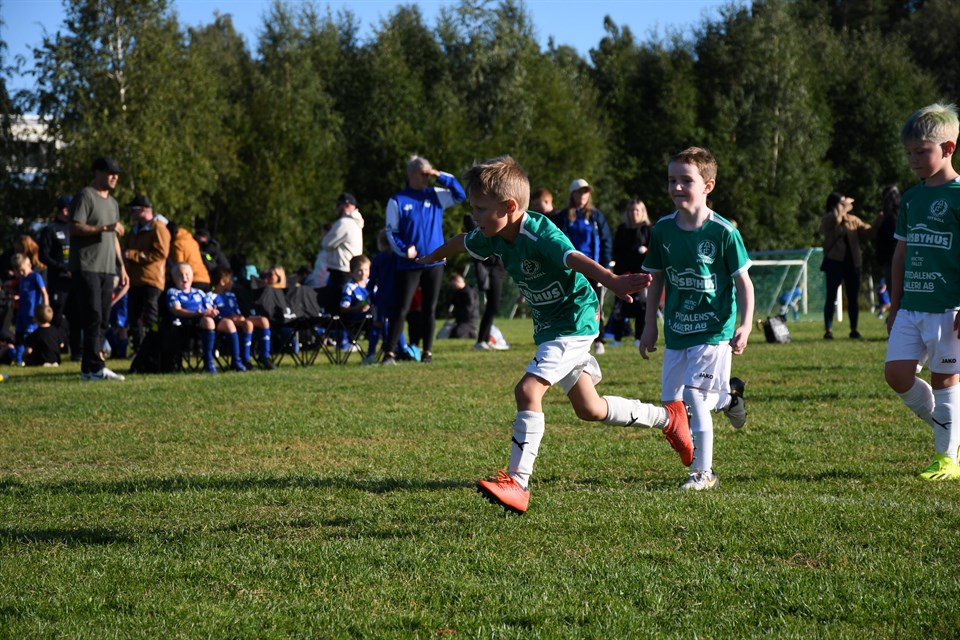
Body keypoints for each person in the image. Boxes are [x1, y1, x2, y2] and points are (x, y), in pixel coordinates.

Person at [416, 155, 692, 515]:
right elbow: (459, 242)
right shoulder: (492, 235)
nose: (474, 216)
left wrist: (611, 280)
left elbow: (572, 257)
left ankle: (518, 482)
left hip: (575, 320)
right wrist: (431, 258)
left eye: (480, 209)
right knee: (590, 408)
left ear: (509, 207)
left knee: (527, 390)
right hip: (551, 328)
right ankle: (668, 418)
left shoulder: (539, 232)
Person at [639, 146, 754, 491]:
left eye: (685, 180)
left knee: (695, 396)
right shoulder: (662, 230)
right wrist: (649, 325)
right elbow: (657, 279)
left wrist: (745, 324)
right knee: (673, 405)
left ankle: (704, 473)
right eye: (671, 180)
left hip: (714, 329)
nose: (676, 187)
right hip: (677, 329)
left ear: (708, 185)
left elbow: (743, 283)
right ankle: (730, 399)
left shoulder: (723, 232)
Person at [883, 103, 960, 481]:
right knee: (896, 375)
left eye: (921, 151)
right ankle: (951, 429)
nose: (913, 159)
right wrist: (894, 304)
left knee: (946, 379)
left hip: (948, 308)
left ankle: (946, 458)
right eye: (908, 153)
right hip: (911, 307)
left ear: (948, 148)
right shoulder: (912, 199)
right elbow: (901, 252)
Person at [382, 156, 466, 365]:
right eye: (423, 174)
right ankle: (389, 353)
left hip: (435, 261)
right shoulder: (398, 200)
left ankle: (427, 352)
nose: (426, 178)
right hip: (410, 263)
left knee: (430, 308)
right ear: (411, 174)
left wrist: (439, 175)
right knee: (401, 308)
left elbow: (460, 194)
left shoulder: (434, 195)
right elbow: (391, 231)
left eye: (428, 174)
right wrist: (404, 250)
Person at [69, 156, 127, 381]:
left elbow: (114, 238)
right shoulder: (86, 195)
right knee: (92, 314)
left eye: (117, 174)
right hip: (86, 265)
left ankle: (89, 369)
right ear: (98, 173)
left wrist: (122, 267)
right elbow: (75, 227)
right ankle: (96, 366)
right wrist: (103, 227)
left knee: (103, 317)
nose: (114, 177)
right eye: (110, 173)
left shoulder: (113, 203)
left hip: (107, 267)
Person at [551, 178, 614, 355]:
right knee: (569, 303)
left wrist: (605, 266)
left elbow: (605, 241)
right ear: (572, 194)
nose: (582, 195)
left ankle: (599, 340)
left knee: (595, 304)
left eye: (585, 192)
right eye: (579, 192)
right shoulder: (563, 217)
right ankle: (570, 338)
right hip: (570, 267)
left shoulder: (596, 216)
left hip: (593, 266)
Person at [123, 194, 170, 354]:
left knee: (151, 317)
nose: (131, 213)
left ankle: (155, 349)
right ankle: (139, 351)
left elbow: (161, 253)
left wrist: (133, 255)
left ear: (144, 210)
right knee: (134, 318)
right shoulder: (134, 231)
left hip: (152, 280)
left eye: (133, 210)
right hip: (135, 280)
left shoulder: (158, 228)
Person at [820, 191, 871, 340]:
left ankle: (854, 329)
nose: (847, 205)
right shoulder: (828, 219)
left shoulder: (853, 220)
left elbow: (867, 232)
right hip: (834, 261)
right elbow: (836, 218)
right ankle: (828, 330)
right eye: (841, 203)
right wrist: (845, 206)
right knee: (831, 297)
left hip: (853, 263)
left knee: (853, 298)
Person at [38, 195, 80, 357]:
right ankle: (52, 351)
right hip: (58, 283)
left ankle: (77, 353)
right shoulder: (50, 230)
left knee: (76, 317)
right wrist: (63, 268)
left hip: (74, 281)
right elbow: (43, 256)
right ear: (65, 210)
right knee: (55, 316)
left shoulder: (75, 228)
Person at [211, 268, 275, 370]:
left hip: (238, 318)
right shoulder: (211, 296)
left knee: (263, 321)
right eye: (230, 280)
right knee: (248, 324)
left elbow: (238, 310)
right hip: (225, 321)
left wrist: (240, 316)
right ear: (222, 282)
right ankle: (245, 359)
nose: (232, 283)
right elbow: (214, 314)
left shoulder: (231, 294)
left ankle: (264, 356)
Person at [462, 213, 507, 351]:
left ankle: (484, 339)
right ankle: (481, 340)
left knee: (492, 307)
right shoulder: (481, 228)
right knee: (492, 307)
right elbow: (468, 219)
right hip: (492, 271)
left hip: (497, 270)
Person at [610, 199, 652, 344]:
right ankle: (617, 338)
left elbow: (654, 252)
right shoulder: (622, 230)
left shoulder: (648, 230)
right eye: (631, 210)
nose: (634, 213)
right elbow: (616, 252)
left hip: (641, 274)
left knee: (641, 306)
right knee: (619, 306)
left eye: (637, 210)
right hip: (623, 273)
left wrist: (646, 250)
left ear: (642, 212)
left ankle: (639, 337)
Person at [166, 262, 220, 374]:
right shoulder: (173, 292)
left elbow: (209, 308)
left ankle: (235, 360)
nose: (184, 278)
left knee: (220, 323)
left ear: (192, 276)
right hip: (184, 324)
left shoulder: (199, 292)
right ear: (174, 278)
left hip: (202, 321)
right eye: (180, 275)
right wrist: (195, 313)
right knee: (208, 322)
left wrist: (212, 312)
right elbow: (177, 310)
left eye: (187, 275)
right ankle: (209, 362)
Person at [324, 193, 365, 296]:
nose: (337, 208)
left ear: (346, 205)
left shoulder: (344, 223)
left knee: (335, 302)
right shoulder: (356, 222)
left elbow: (326, 243)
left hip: (341, 271)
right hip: (351, 269)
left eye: (339, 205)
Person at [12, 253, 49, 366]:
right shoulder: (22, 279)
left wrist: (45, 308)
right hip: (21, 313)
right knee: (19, 335)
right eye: (19, 271)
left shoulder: (36, 277)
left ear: (29, 265)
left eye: (23, 270)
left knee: (30, 337)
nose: (21, 273)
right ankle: (19, 360)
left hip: (32, 314)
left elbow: (44, 293)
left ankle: (31, 359)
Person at [339, 254, 372, 352]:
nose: (363, 273)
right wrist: (358, 308)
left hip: (370, 315)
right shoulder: (350, 287)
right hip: (355, 318)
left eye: (366, 270)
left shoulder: (371, 284)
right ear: (352, 271)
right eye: (360, 270)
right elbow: (343, 309)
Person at [873, 185, 900, 294]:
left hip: (890, 258)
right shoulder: (903, 214)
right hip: (900, 257)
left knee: (894, 292)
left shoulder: (885, 218)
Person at [168, 222, 211, 291]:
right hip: (205, 278)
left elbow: (180, 266)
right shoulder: (192, 241)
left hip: (192, 280)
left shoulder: (177, 244)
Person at [447, 272, 479, 339]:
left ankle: (472, 333)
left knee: (457, 334)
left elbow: (468, 310)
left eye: (453, 284)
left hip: (469, 321)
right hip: (461, 321)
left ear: (457, 281)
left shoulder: (469, 292)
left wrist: (453, 314)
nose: (452, 286)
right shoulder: (458, 292)